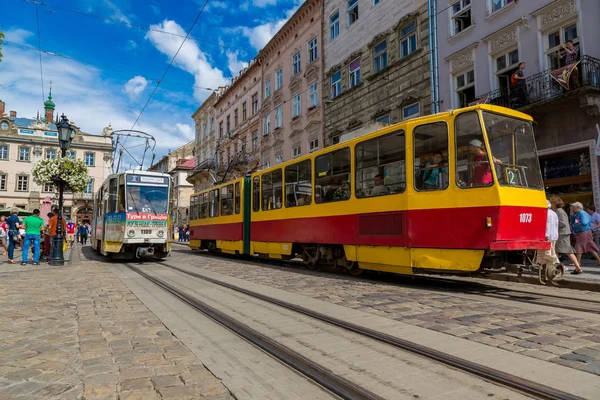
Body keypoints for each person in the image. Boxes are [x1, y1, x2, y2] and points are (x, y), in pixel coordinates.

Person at [550, 196, 581, 273]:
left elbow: (562, 223)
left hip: (562, 234)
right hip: (562, 233)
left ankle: (578, 267)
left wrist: (553, 224)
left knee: (568, 251)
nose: (551, 204)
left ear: (555, 203)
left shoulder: (559, 211)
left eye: (551, 203)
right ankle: (559, 266)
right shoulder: (559, 211)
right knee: (556, 250)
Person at [570, 201, 600, 274]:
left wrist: (574, 226)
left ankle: (577, 263)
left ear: (578, 208)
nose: (572, 209)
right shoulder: (577, 214)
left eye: (573, 208)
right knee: (589, 247)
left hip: (584, 232)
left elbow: (583, 223)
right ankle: (599, 260)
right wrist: (571, 216)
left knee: (579, 247)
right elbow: (572, 222)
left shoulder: (582, 214)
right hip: (582, 232)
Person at [537, 200, 561, 271]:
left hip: (548, 236)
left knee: (546, 253)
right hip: (554, 236)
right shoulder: (554, 213)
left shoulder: (546, 213)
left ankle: (555, 263)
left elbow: (547, 225)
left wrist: (546, 235)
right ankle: (550, 266)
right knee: (551, 251)